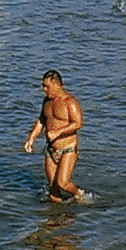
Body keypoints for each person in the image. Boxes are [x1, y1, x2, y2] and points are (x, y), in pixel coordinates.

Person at [22, 70, 85, 202]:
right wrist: (31, 138)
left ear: (57, 84)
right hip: (51, 149)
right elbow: (41, 120)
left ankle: (80, 194)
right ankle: (56, 220)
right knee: (54, 190)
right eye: (43, 86)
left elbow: (78, 123)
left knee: (63, 183)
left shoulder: (70, 102)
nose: (44, 90)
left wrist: (58, 132)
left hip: (68, 148)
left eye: (47, 86)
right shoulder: (47, 102)